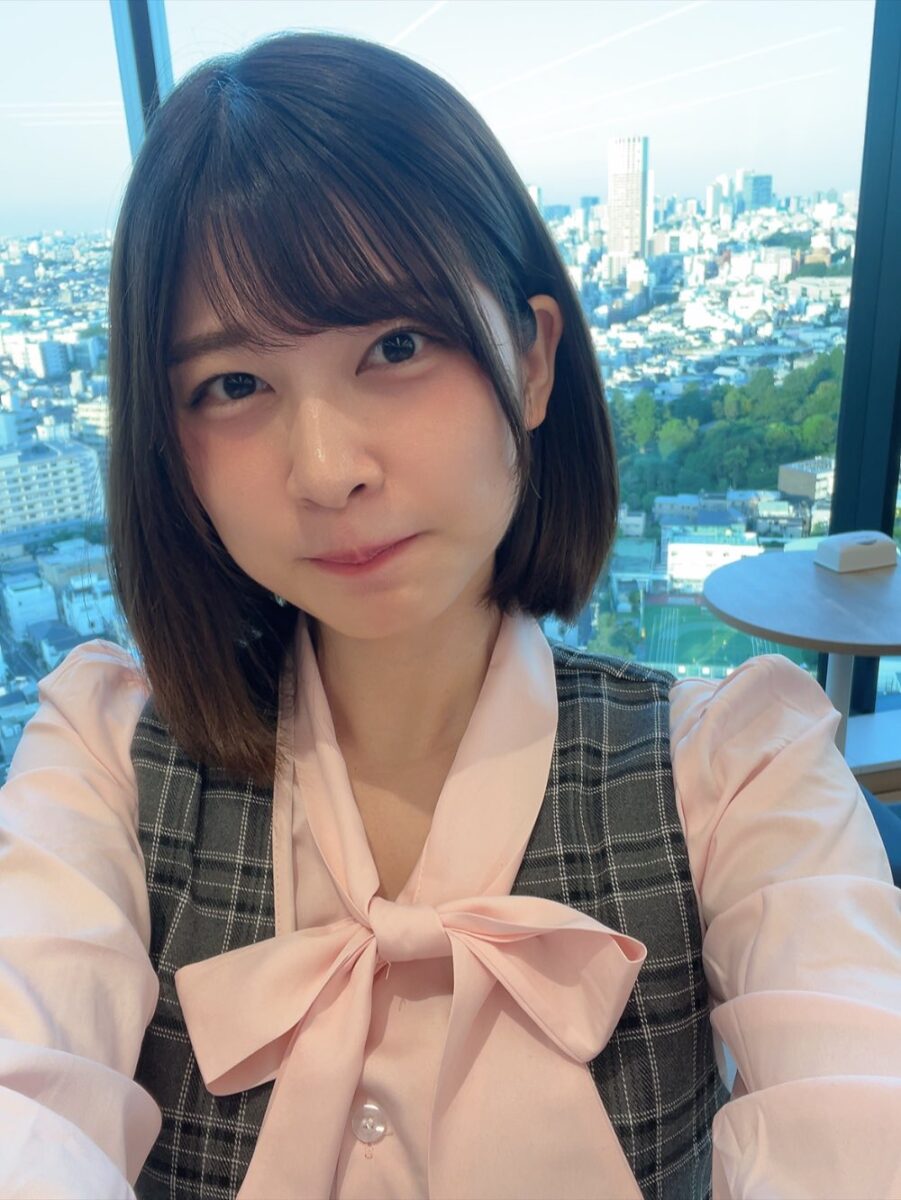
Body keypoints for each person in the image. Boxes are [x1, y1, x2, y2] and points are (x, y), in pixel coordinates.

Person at [0, 30, 898, 1200]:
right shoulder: (106, 767)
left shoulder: (735, 776)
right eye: (233, 385)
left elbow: (857, 1106)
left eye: (396, 345)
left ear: (531, 362)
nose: (327, 470)